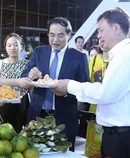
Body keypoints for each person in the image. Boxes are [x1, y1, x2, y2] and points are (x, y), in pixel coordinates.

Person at [51, 7, 130, 158]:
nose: (98, 35)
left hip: (124, 139)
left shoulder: (127, 55)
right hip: (118, 136)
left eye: (101, 30)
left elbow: (105, 93)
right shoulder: (121, 55)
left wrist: (69, 85)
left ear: (116, 28)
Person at [21, 17, 89, 151]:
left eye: (60, 35)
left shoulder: (79, 57)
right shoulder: (39, 52)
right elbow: (24, 75)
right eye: (52, 35)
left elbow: (85, 88)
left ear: (69, 35)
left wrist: (67, 93)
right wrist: (30, 75)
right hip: (37, 115)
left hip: (65, 118)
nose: (55, 40)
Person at [0, 33, 29, 132]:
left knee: (22, 134)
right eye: (9, 45)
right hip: (4, 104)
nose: (12, 48)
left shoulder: (28, 64)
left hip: (23, 104)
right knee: (4, 133)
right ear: (5, 47)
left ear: (21, 46)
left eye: (15, 45)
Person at [84, 43, 108, 157]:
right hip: (94, 110)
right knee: (93, 147)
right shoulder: (94, 60)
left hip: (113, 113)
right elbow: (87, 84)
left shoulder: (118, 60)